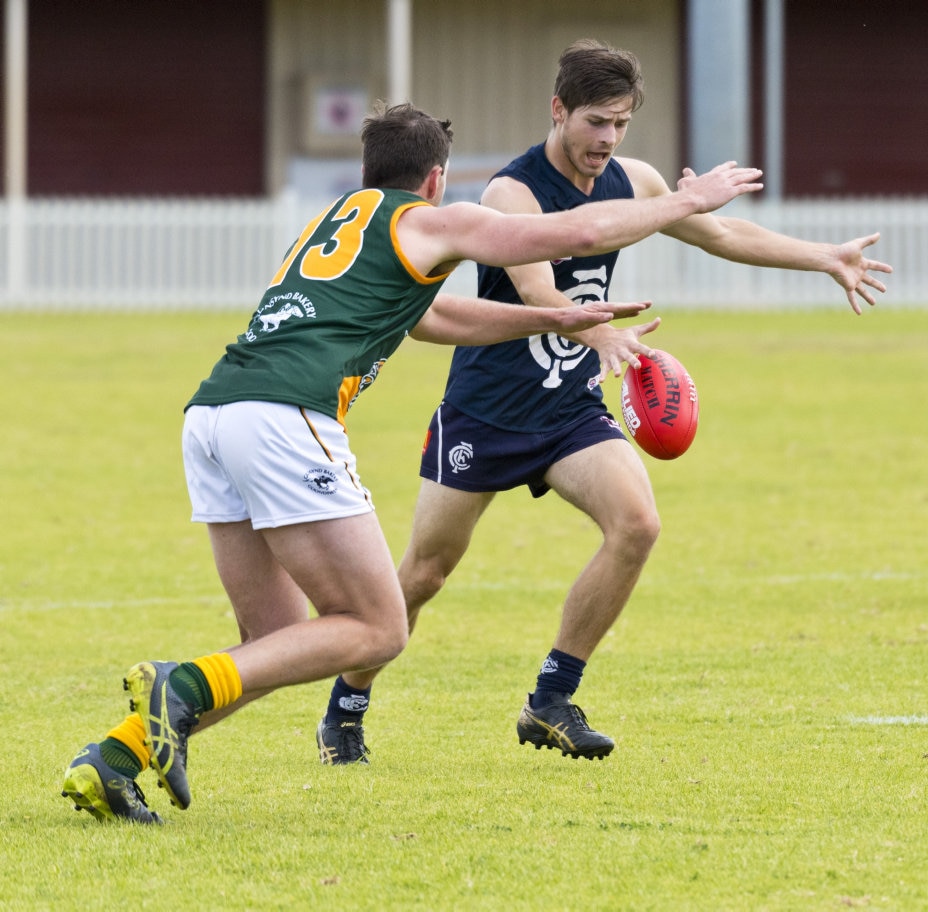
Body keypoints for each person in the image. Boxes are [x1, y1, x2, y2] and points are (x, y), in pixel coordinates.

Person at [59, 101, 766, 823]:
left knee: (278, 645)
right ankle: (175, 686)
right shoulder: (427, 218)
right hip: (285, 416)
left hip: (215, 416)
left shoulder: (339, 221)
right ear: (435, 178)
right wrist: (685, 200)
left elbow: (431, 319)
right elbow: (576, 230)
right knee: (378, 626)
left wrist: (556, 318)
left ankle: (114, 759)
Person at [311, 39, 892, 765]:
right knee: (425, 573)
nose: (607, 139)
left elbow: (720, 231)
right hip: (487, 411)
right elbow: (539, 293)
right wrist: (602, 337)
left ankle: (551, 699)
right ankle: (347, 708)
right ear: (558, 111)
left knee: (638, 523)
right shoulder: (510, 193)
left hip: (569, 411)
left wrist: (823, 256)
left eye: (619, 123)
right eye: (594, 121)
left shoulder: (633, 179)